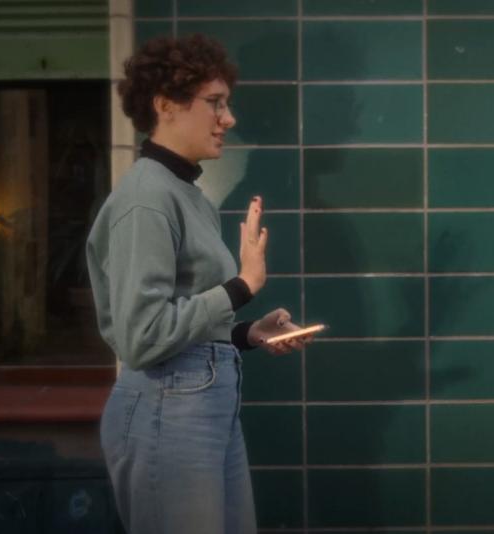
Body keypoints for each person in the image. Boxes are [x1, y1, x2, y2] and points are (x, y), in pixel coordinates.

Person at [86, 34, 310, 533]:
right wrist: (241, 286)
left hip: (198, 406)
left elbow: (179, 319)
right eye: (215, 103)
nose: (228, 119)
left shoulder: (188, 194)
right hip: (169, 408)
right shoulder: (146, 199)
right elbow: (143, 337)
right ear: (165, 105)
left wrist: (243, 334)